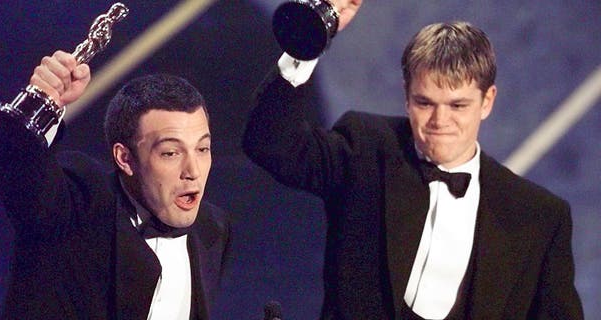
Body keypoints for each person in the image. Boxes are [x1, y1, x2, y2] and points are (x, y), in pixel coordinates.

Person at [242, 1, 583, 319]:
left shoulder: (537, 217)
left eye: (458, 105)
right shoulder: (366, 151)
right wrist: (314, 27)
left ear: (487, 101)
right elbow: (269, 143)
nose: (440, 121)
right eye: (425, 103)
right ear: (406, 97)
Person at [0, 50, 231, 319]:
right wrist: (40, 105)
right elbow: (23, 179)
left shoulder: (213, 228)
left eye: (202, 149)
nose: (193, 171)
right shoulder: (80, 204)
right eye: (170, 153)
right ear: (125, 158)